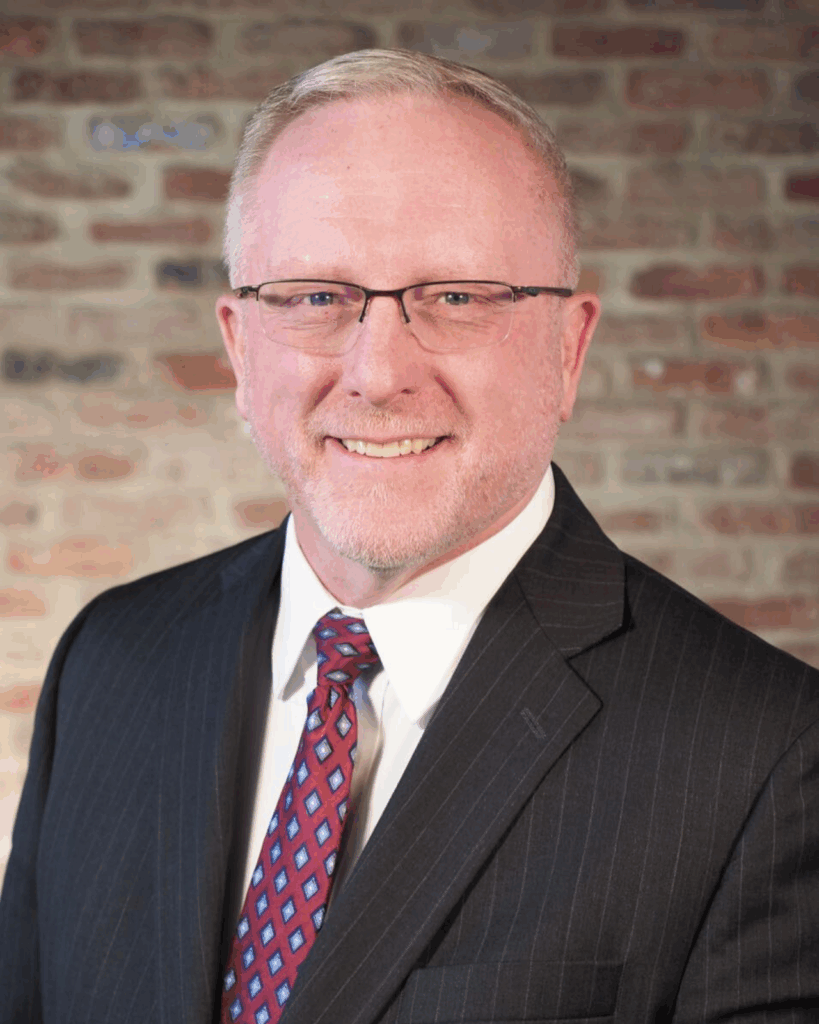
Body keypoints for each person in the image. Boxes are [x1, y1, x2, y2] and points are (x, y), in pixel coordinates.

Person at [1, 48, 817, 1024]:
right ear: (237, 345)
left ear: (570, 348)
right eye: (315, 296)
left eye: (458, 296)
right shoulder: (114, 659)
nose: (378, 372)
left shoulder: (767, 756)